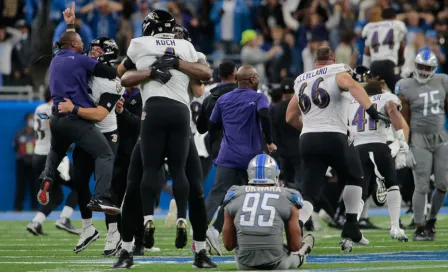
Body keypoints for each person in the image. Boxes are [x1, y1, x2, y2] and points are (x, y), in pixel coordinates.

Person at [112, 11, 216, 269]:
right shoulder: (187, 48)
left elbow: (121, 75)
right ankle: (190, 246)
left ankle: (132, 246)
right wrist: (167, 65)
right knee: (184, 186)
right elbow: (203, 79)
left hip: (158, 118)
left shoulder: (146, 44)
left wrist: (171, 65)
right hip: (181, 123)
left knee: (143, 183)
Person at [286, 46, 391, 252]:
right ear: (332, 59)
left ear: (315, 61)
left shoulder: (301, 79)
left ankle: (296, 227)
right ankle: (351, 225)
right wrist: (371, 111)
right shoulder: (337, 71)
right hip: (334, 135)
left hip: (307, 138)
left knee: (310, 192)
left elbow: (290, 116)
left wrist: (310, 129)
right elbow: (351, 85)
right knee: (357, 176)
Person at [37, 3, 120, 215]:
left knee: (56, 149)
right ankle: (101, 197)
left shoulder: (56, 57)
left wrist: (70, 24)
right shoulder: (82, 60)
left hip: (56, 117)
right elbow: (109, 72)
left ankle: (47, 176)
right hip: (75, 118)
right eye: (81, 41)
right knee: (105, 155)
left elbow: (66, 42)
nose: (85, 46)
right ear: (74, 44)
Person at [57, 36, 124, 254]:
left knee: (105, 186)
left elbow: (98, 114)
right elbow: (69, 46)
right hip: (86, 133)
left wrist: (73, 109)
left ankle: (114, 232)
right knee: (79, 181)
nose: (92, 52)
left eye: (97, 49)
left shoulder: (111, 81)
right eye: (92, 48)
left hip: (105, 133)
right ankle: (87, 228)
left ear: (109, 53)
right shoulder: (85, 67)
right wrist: (70, 24)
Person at [205, 65, 277, 256]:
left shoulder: (222, 99)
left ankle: (200, 231)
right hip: (250, 160)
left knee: (216, 194)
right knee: (246, 199)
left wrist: (215, 151)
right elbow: (264, 115)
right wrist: (269, 141)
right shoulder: (258, 97)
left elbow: (212, 127)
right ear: (253, 79)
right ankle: (222, 232)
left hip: (226, 156)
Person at [222, 154, 315, 270]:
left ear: (250, 173)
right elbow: (294, 245)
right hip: (277, 263)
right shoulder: (288, 195)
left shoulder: (234, 194)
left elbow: (228, 245)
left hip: (244, 264)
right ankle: (302, 254)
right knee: (296, 254)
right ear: (275, 173)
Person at [396, 50, 448, 241]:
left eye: (428, 68)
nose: (424, 71)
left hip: (441, 138)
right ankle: (419, 227)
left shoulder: (443, 80)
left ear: (434, 69)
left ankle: (431, 220)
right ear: (415, 66)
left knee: (443, 184)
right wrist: (405, 145)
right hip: (419, 139)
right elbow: (404, 117)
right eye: (421, 67)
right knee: (421, 185)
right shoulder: (406, 85)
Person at [349, 78, 409, 242]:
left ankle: (351, 230)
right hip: (378, 145)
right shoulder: (385, 97)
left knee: (361, 191)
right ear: (380, 91)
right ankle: (395, 226)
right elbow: (392, 109)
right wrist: (400, 139)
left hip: (358, 149)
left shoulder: (353, 102)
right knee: (392, 183)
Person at [27, 90, 79, 236]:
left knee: (56, 196)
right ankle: (64, 219)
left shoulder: (39, 108)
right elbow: (54, 127)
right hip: (53, 157)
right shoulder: (52, 108)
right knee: (80, 186)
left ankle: (36, 222)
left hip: (37, 156)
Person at [196, 60, 238, 162]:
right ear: (234, 73)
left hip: (219, 151)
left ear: (220, 76)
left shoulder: (208, 99)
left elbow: (201, 128)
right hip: (242, 149)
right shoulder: (246, 96)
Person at [362, 8, 407, 91]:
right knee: (399, 91)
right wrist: (401, 58)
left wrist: (365, 69)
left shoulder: (370, 26)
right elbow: (402, 45)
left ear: (382, 17)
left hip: (374, 66)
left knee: (373, 94)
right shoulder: (398, 25)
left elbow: (366, 51)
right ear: (395, 17)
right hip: (389, 64)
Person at [270, 78, 301, 190]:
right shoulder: (301, 106)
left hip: (284, 154)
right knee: (302, 186)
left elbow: (273, 134)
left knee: (286, 186)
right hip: (300, 152)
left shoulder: (275, 109)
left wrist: (278, 152)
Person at [13, 112, 37, 211]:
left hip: (35, 161)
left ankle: (34, 207)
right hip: (22, 161)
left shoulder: (38, 133)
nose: (32, 121)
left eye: (33, 119)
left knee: (35, 185)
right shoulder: (20, 133)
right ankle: (18, 207)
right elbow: (15, 147)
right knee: (21, 185)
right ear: (26, 120)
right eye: (30, 119)